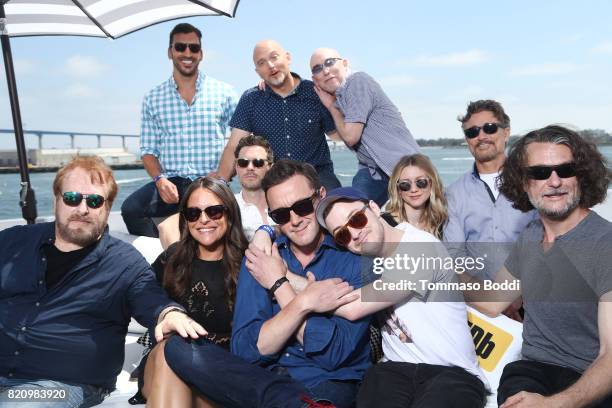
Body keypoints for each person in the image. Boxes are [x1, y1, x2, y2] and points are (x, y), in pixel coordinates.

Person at [253, 186, 488, 407]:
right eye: (342, 234)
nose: (354, 234)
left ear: (375, 208)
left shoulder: (421, 247)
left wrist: (283, 278)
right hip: (394, 371)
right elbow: (292, 223)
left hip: (452, 373)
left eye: (357, 219)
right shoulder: (367, 262)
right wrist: (264, 232)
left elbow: (353, 307)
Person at [162, 160, 372, 408]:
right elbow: (247, 350)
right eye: (281, 215)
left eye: (303, 207)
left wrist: (279, 285)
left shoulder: (353, 256)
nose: (294, 220)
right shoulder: (261, 257)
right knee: (178, 348)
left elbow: (333, 355)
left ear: (320, 197)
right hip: (264, 381)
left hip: (328, 381)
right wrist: (304, 303)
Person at [0, 156, 203, 407]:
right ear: (56, 201)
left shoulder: (124, 263)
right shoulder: (13, 243)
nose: (83, 209)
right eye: (72, 198)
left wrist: (170, 314)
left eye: (95, 201)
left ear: (107, 208)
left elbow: (152, 300)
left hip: (60, 386)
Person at [469, 125, 612, 408]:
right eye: (539, 173)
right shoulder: (530, 236)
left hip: (592, 378)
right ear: (523, 183)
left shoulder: (604, 244)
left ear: (581, 176)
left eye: (565, 170)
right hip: (532, 371)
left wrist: (554, 404)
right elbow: (494, 300)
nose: (555, 181)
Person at [121, 23, 237, 237]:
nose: (187, 53)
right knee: (131, 210)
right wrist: (160, 180)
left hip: (209, 182)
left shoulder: (225, 93)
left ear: (201, 54)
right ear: (170, 52)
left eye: (193, 48)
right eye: (180, 47)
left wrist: (224, 174)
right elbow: (148, 151)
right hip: (171, 185)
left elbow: (242, 139)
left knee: (231, 226)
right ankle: (170, 254)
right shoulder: (153, 98)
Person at [141, 177, 248, 407]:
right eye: (193, 213)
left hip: (220, 368)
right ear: (185, 220)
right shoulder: (172, 260)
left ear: (230, 214)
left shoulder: (250, 264)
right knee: (170, 350)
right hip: (164, 361)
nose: (203, 220)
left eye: (214, 211)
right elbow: (141, 297)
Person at [213, 40, 342, 192]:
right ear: (258, 72)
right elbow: (233, 145)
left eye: (274, 57)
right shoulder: (251, 99)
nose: (270, 65)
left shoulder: (315, 93)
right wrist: (219, 186)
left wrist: (335, 103)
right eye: (262, 63)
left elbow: (338, 136)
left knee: (336, 208)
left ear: (288, 57)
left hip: (317, 178)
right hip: (274, 182)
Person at [309, 48, 420, 206]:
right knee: (352, 209)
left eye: (329, 62)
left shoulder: (357, 82)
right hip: (372, 170)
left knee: (430, 219)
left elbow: (350, 137)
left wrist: (332, 108)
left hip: (405, 165)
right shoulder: (338, 97)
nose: (326, 70)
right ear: (315, 79)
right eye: (318, 68)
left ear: (345, 64)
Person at [444, 100, 536, 282]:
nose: (481, 136)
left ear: (506, 133)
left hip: (534, 295)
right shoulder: (453, 194)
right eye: (472, 132)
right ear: (467, 140)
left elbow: (546, 243)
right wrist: (489, 296)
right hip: (479, 301)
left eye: (490, 128)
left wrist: (514, 294)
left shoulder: (534, 182)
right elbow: (454, 256)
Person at [158, 135, 274, 248]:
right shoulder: (224, 204)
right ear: (237, 168)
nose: (250, 167)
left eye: (258, 162)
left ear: (270, 167)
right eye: (243, 163)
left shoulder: (282, 203)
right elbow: (166, 227)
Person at [381, 154, 448, 239]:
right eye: (405, 184)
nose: (413, 189)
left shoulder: (441, 222)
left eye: (421, 182)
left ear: (432, 184)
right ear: (398, 189)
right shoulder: (384, 225)